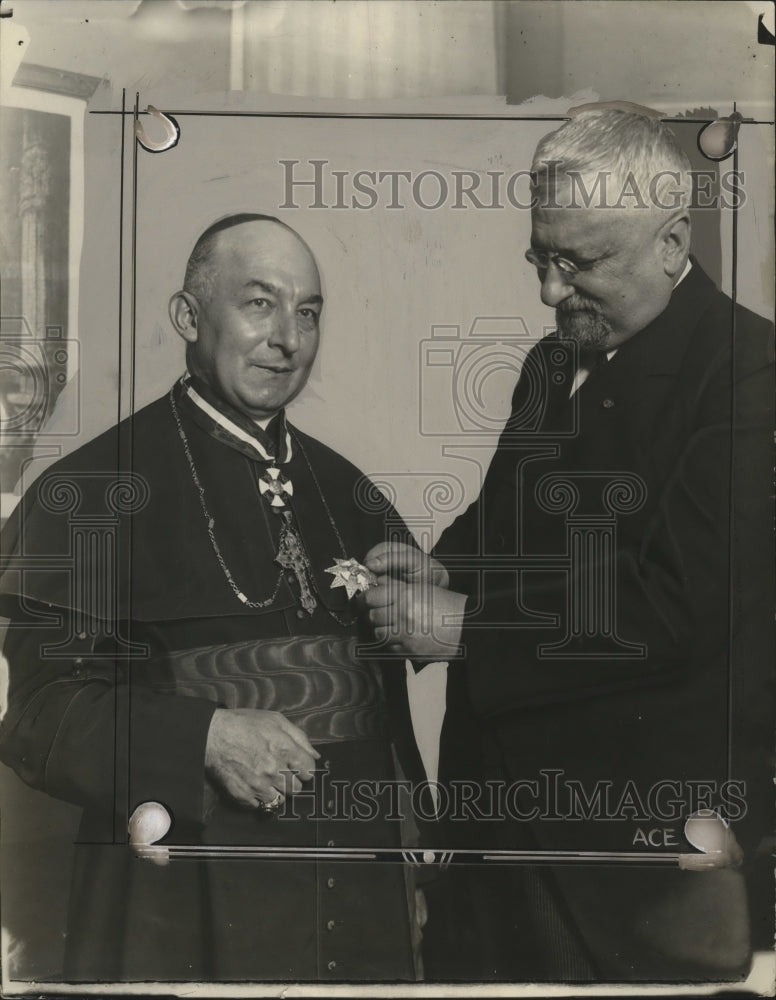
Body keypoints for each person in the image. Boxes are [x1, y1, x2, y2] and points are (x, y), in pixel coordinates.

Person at [363, 109, 774, 982]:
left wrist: (465, 627)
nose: (550, 293)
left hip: (624, 856)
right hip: (492, 818)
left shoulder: (751, 376)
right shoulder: (555, 362)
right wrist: (447, 565)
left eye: (578, 264)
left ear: (672, 242)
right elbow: (513, 517)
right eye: (540, 261)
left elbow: (675, 607)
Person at [0, 214, 426, 983]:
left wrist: (416, 852)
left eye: (308, 312)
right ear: (189, 318)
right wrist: (201, 736)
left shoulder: (351, 492)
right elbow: (36, 719)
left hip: (359, 894)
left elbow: (386, 712)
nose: (287, 339)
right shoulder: (87, 493)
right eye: (259, 303)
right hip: (182, 893)